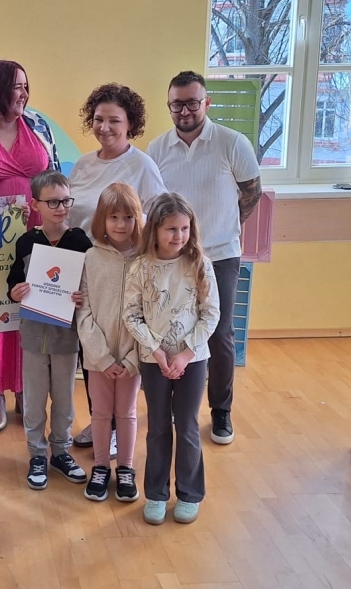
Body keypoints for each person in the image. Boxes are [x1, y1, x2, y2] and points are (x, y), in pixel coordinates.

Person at [147, 71, 262, 446]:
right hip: (172, 259)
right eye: (176, 104)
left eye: (192, 103)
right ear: (169, 106)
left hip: (220, 254)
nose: (185, 111)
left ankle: (221, 410)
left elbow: (251, 193)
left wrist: (225, 227)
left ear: (206, 103)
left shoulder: (232, 143)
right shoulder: (157, 149)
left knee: (220, 332)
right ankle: (177, 407)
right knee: (172, 331)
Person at [66, 83, 167, 457]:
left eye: (114, 121)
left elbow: (158, 217)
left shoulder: (142, 166)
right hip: (87, 266)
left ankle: (116, 425)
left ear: (130, 124)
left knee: (122, 346)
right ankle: (100, 419)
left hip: (126, 268)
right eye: (98, 119)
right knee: (91, 348)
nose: (104, 127)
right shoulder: (83, 164)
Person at [0, 59, 62, 431]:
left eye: (25, 85)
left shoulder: (37, 124)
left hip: (37, 233)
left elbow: (55, 176)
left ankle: (26, 388)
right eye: (14, 86)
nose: (23, 93)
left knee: (32, 312)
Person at [123, 193, 220, 525]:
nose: (179, 236)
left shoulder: (200, 264)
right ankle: (156, 493)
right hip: (155, 361)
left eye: (184, 228)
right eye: (171, 229)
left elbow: (210, 314)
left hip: (193, 359)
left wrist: (186, 353)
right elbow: (132, 315)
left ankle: (190, 494)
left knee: (188, 425)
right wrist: (157, 351)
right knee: (158, 426)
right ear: (155, 230)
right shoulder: (141, 267)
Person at [7, 171, 91, 490]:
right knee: (35, 397)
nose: (61, 207)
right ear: (36, 205)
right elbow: (14, 281)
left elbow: (90, 285)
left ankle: (61, 451)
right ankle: (37, 454)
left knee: (64, 398)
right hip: (32, 335)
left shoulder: (80, 242)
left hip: (66, 336)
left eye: (66, 201)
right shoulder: (27, 242)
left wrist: (84, 297)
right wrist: (15, 291)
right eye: (53, 202)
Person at [76, 183, 143, 503]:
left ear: (137, 219)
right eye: (113, 217)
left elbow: (151, 313)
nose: (120, 224)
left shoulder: (146, 259)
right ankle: (101, 466)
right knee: (101, 413)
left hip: (134, 355)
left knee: (127, 412)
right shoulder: (90, 258)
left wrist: (133, 358)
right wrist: (102, 357)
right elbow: (83, 311)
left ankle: (126, 468)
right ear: (102, 219)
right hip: (97, 356)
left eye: (128, 217)